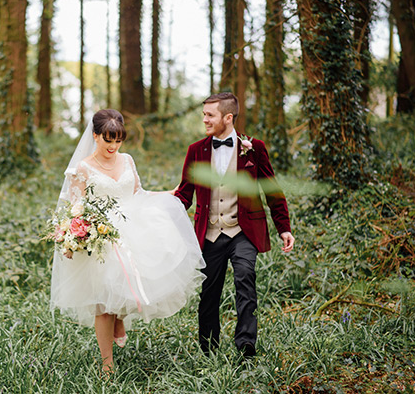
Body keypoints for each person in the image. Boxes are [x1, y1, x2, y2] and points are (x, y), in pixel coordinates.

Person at [50, 109, 206, 374]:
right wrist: (69, 236)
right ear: (95, 136)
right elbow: (74, 205)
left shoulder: (128, 160)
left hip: (134, 225)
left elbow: (138, 192)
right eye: (108, 140)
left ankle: (120, 318)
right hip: (101, 233)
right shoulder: (82, 168)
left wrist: (169, 194)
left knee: (133, 284)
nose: (113, 146)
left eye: (118, 141)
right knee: (102, 302)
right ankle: (107, 364)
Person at [174, 92, 294, 359]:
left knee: (245, 280)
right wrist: (162, 215)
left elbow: (271, 189)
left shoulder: (254, 147)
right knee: (209, 294)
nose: (204, 119)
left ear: (228, 117)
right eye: (204, 114)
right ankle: (209, 349)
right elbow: (185, 193)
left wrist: (283, 227)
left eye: (210, 115)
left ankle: (246, 345)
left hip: (244, 231)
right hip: (210, 233)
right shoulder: (196, 150)